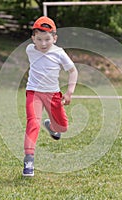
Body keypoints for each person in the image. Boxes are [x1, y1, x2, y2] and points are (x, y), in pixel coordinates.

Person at [23, 16, 78, 177]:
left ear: (55, 38)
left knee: (62, 127)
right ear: (33, 38)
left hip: (53, 94)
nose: (43, 43)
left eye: (47, 39)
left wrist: (69, 92)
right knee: (33, 123)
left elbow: (73, 71)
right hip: (33, 93)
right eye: (39, 39)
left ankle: (52, 127)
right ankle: (29, 160)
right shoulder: (30, 49)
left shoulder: (59, 53)